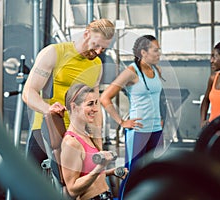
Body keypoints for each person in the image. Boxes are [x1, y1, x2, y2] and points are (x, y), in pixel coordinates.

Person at [22, 19, 115, 174]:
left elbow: (95, 106)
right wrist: (49, 109)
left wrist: (98, 144)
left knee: (76, 189)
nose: (99, 51)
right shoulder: (54, 52)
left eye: (103, 49)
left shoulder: (96, 65)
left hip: (78, 135)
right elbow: (29, 92)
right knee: (28, 185)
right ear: (86, 34)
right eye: (96, 45)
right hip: (47, 130)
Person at [100, 35, 164, 199]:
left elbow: (158, 97)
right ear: (143, 52)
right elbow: (105, 97)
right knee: (132, 173)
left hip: (156, 130)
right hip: (138, 131)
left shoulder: (155, 69)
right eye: (155, 50)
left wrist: (161, 116)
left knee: (152, 173)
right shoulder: (131, 71)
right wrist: (121, 121)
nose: (159, 53)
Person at [61, 83, 127, 200]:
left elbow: (88, 174)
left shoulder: (85, 136)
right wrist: (100, 167)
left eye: (96, 104)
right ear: (74, 107)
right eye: (90, 104)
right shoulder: (71, 143)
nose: (95, 109)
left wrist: (111, 171)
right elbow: (72, 189)